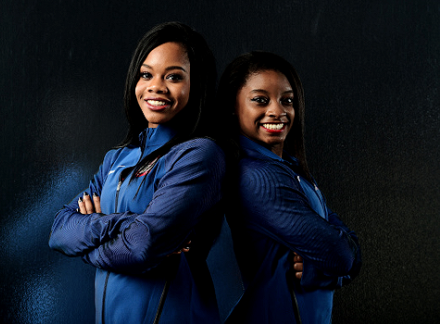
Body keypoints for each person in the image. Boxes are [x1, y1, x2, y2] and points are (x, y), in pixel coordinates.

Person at [49, 22, 225, 324]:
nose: (156, 86)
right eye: (147, 74)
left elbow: (142, 246)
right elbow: (59, 231)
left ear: (197, 85)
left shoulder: (199, 154)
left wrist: (90, 245)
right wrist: (125, 223)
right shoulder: (117, 158)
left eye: (174, 77)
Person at [217, 51, 362, 324]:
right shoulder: (258, 179)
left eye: (287, 100)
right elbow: (341, 253)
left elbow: (341, 244)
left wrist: (325, 265)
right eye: (260, 100)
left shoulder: (293, 169)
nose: (278, 111)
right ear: (233, 106)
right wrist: (339, 258)